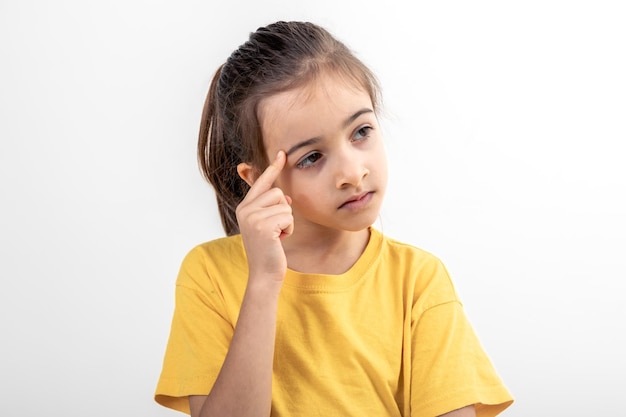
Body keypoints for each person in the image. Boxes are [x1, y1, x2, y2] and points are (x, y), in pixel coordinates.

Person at [154, 20, 514, 417]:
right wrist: (264, 282)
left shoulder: (418, 279)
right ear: (258, 180)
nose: (352, 172)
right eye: (312, 157)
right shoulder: (209, 275)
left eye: (361, 132)